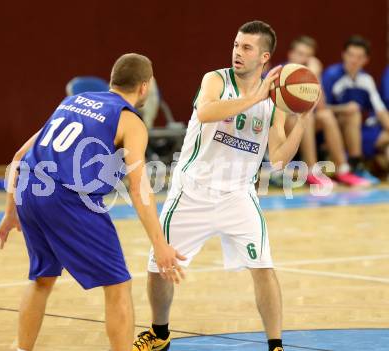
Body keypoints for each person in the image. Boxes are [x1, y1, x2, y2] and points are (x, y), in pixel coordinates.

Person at [133, 21, 314, 351]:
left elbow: (278, 159)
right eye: (235, 45)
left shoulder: (273, 102)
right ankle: (160, 333)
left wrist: (300, 121)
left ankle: (276, 344)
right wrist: (255, 96)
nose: (237, 53)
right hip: (192, 191)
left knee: (263, 267)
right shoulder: (216, 79)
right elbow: (205, 113)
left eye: (246, 48)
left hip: (238, 195)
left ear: (264, 56)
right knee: (159, 268)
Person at [0, 53, 185, 351]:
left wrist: (10, 212)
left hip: (30, 189)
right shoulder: (130, 121)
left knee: (42, 278)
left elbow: (19, 156)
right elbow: (139, 189)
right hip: (67, 199)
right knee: (118, 285)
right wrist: (160, 244)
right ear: (144, 87)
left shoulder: (71, 102)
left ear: (112, 79)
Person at [286, 36, 369, 187]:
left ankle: (343, 169)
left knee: (325, 115)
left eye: (308, 56)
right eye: (300, 54)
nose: (303, 59)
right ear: (290, 54)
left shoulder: (308, 75)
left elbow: (321, 106)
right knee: (306, 116)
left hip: (303, 125)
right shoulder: (280, 73)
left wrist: (315, 75)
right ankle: (311, 171)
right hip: (279, 128)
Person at [322, 36, 389, 184]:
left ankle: (356, 166)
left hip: (354, 131)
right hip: (327, 129)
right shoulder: (331, 75)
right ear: (343, 55)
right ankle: (349, 166)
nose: (354, 60)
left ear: (366, 60)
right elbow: (320, 109)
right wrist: (342, 109)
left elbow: (380, 110)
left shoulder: (366, 80)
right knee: (353, 113)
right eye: (351, 55)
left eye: (359, 57)